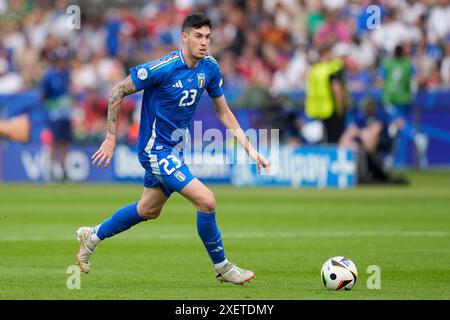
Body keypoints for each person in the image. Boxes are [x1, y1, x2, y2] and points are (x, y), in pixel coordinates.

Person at [75, 13, 270, 285]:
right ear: (185, 37)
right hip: (155, 150)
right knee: (207, 200)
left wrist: (250, 149)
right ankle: (223, 267)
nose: (204, 43)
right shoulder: (164, 67)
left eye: (208, 38)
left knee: (148, 210)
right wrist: (110, 137)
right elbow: (117, 90)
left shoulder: (210, 68)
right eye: (198, 36)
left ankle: (92, 236)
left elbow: (223, 111)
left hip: (174, 150)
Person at [305, 43, 349, 144]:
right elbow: (336, 88)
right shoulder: (332, 69)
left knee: (321, 140)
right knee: (334, 140)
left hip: (316, 110)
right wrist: (342, 106)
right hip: (332, 109)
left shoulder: (314, 70)